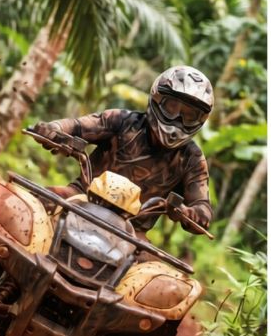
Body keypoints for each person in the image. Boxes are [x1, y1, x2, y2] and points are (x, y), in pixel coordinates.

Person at [32, 65, 214, 236]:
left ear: (200, 120)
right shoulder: (121, 121)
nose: (178, 119)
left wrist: (194, 213)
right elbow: (76, 126)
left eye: (189, 116)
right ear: (157, 99)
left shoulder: (192, 158)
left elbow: (202, 205)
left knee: (160, 271)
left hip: (133, 232)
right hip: (80, 196)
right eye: (172, 107)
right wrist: (53, 129)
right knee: (25, 207)